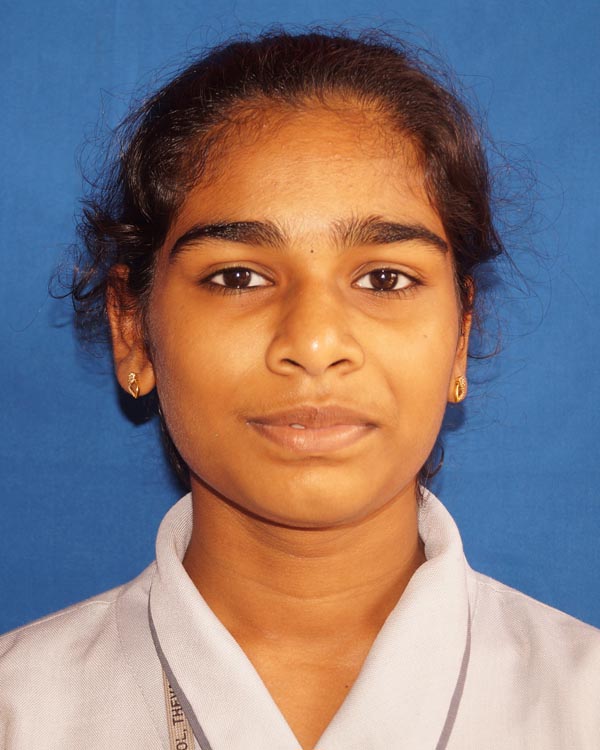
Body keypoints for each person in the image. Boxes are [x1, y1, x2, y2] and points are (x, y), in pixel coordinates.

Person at [0, 29, 598, 750]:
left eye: (385, 279)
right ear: (132, 329)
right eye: (238, 277)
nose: (314, 343)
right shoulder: (20, 711)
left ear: (461, 335)